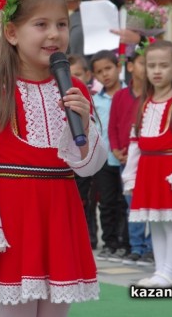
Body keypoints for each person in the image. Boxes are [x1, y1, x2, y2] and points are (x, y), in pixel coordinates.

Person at [0, 0, 107, 317]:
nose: (54, 34)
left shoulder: (76, 87)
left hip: (61, 211)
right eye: (41, 24)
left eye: (61, 25)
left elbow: (90, 165)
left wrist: (84, 120)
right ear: (12, 33)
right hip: (13, 219)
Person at [122, 40, 172, 287]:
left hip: (169, 171)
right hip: (148, 170)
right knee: (155, 222)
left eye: (163, 66)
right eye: (151, 65)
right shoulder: (143, 104)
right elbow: (135, 144)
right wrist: (130, 175)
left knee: (171, 222)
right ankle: (159, 271)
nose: (156, 71)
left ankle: (169, 273)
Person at [109, 48, 154, 266]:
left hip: (149, 159)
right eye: (144, 63)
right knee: (132, 204)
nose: (148, 69)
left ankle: (151, 247)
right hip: (126, 161)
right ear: (130, 66)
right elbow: (113, 126)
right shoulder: (119, 96)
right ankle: (136, 247)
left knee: (153, 204)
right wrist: (116, 150)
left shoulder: (155, 96)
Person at [89, 50, 129, 262]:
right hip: (104, 159)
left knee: (125, 203)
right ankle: (110, 242)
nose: (105, 74)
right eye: (99, 72)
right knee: (106, 203)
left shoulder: (130, 95)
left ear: (118, 68)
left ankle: (125, 242)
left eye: (108, 69)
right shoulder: (96, 100)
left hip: (125, 158)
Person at [68, 54, 99, 250]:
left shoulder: (86, 98)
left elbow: (97, 128)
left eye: (77, 74)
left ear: (87, 75)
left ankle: (90, 236)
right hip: (66, 160)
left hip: (86, 154)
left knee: (88, 200)